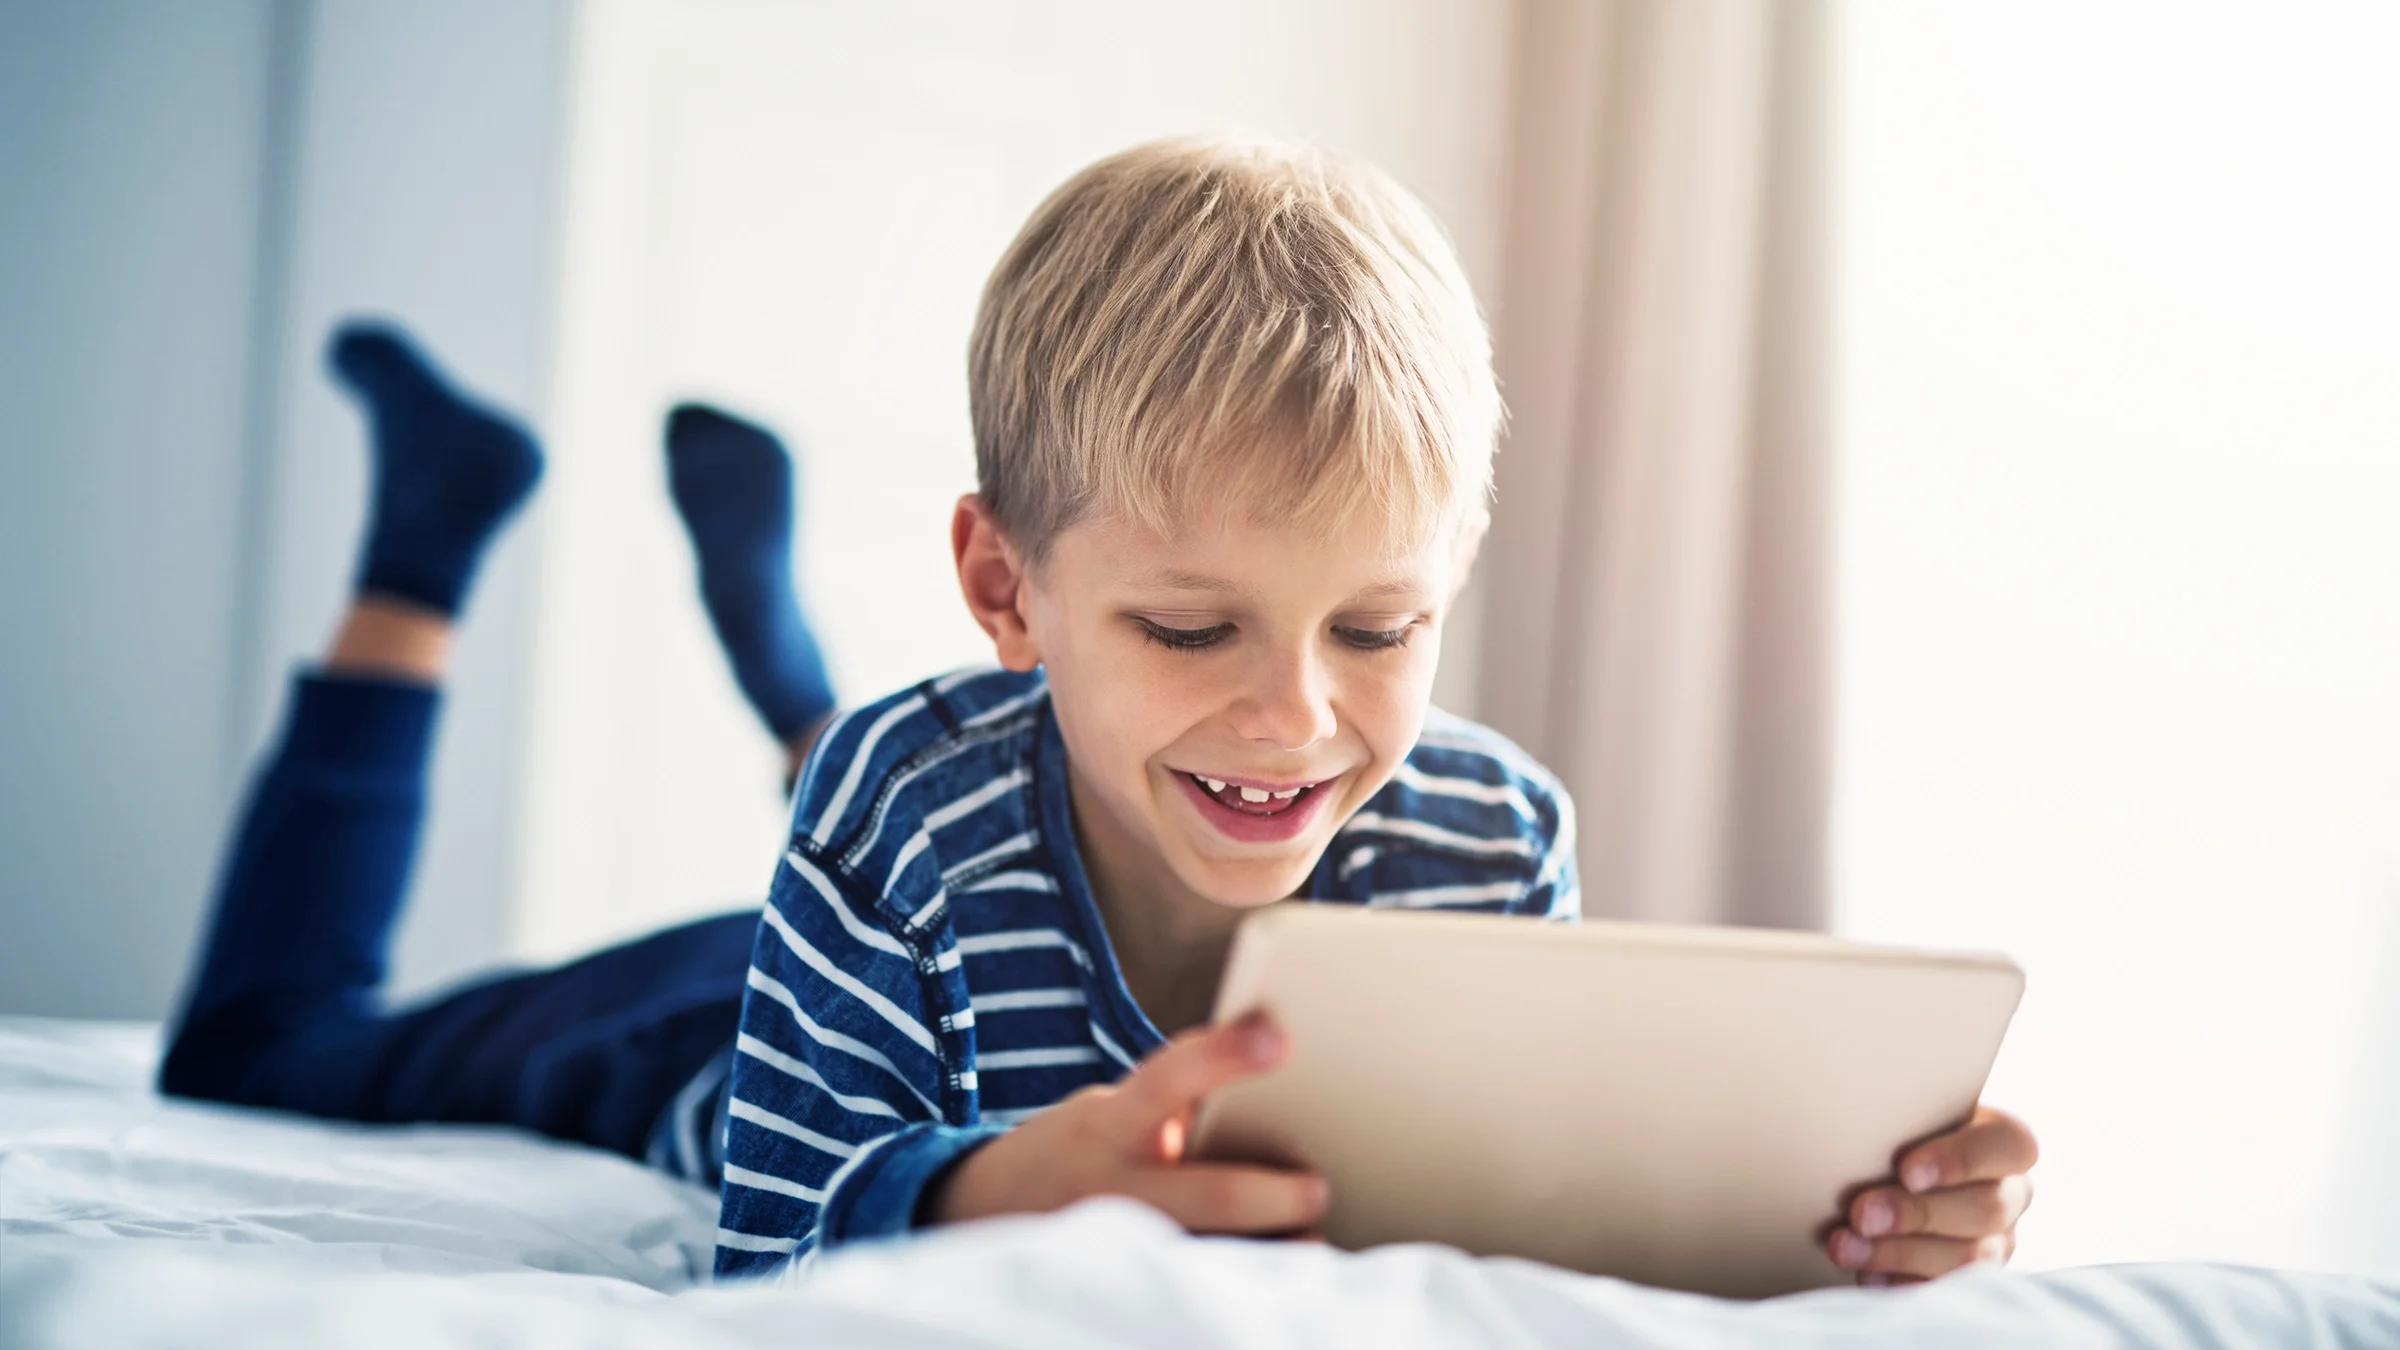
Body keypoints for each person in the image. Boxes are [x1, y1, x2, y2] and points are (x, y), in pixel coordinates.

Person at [165, 137, 2038, 1293]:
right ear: (1006, 587)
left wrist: (1840, 1227)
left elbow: (1499, 1237)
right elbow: (770, 1244)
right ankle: (431, 529)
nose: (1302, 717)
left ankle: (785, 655)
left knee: (1003, 752)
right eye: (1194, 620)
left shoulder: (1491, 836)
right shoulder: (902, 812)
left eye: (1383, 627)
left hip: (980, 794)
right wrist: (995, 1185)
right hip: (731, 1034)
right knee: (266, 1044)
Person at [160, 320, 834, 1177]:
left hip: (846, 972)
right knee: (250, 1049)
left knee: (919, 939)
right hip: (764, 1049)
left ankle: (812, 726)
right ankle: (420, 555)